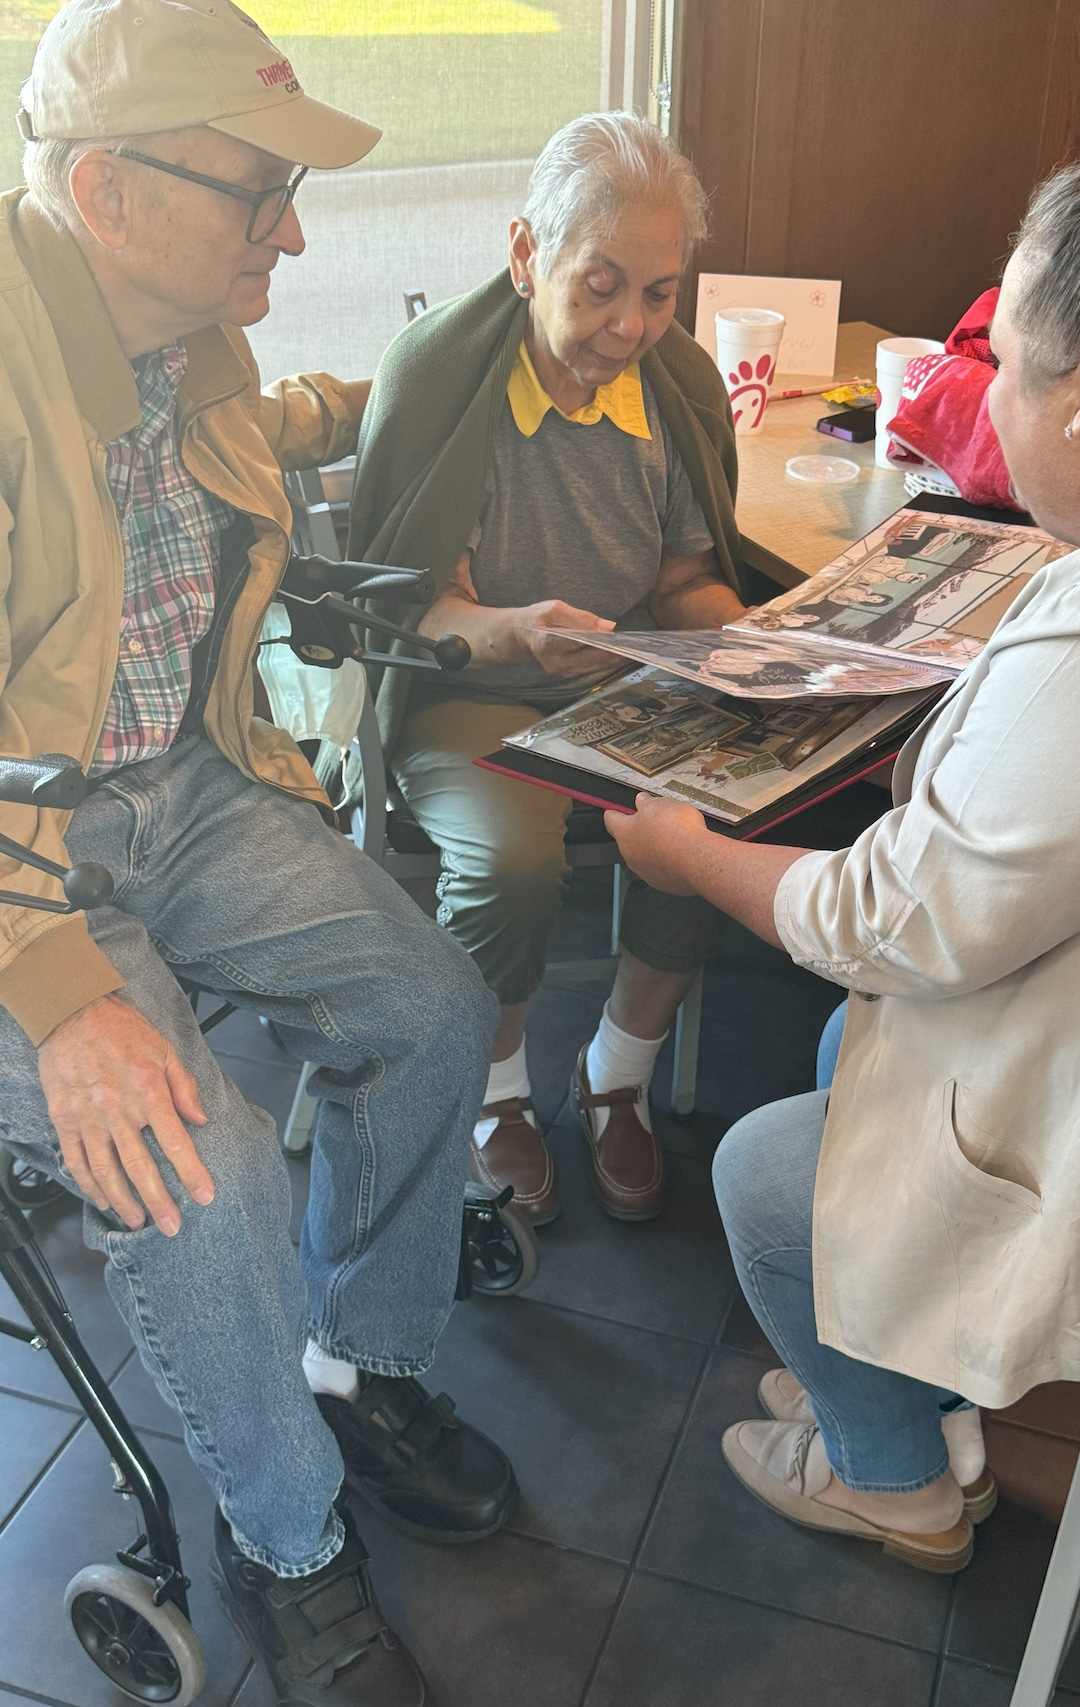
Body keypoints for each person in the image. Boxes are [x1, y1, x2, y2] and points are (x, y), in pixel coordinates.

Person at [606, 82, 1080, 1574]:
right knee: (858, 1054)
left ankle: (894, 1474)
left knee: (772, 1173)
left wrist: (685, 850)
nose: (994, 409)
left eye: (1010, 379)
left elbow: (899, 916)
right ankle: (895, 1366)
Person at [0, 5, 515, 1702]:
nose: (292, 231)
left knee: (431, 1003)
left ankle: (361, 1366)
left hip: (183, 789)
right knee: (188, 1153)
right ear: (107, 192)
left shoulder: (183, 328)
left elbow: (260, 426)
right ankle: (285, 1539)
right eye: (260, 194)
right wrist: (66, 1001)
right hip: (21, 871)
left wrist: (450, 373)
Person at [347, 113, 744, 1229]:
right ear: (526, 256)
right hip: (468, 684)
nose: (630, 327)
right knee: (514, 855)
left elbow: (682, 580)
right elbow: (411, 609)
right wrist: (516, 629)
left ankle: (617, 1071)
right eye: (601, 286)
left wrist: (750, 638)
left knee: (710, 822)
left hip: (614, 685)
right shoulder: (436, 379)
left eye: (659, 294)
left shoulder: (677, 386)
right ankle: (498, 1088)